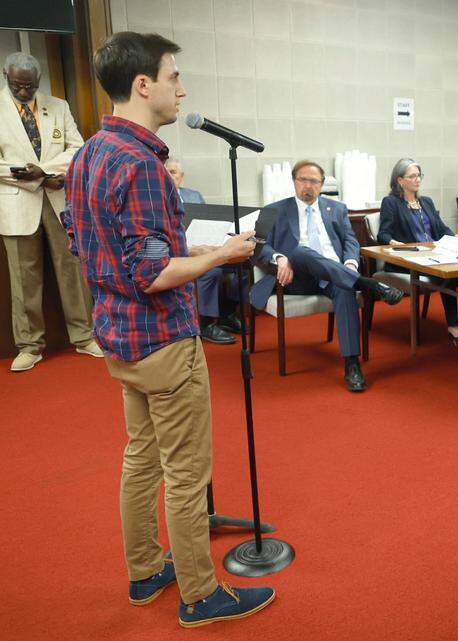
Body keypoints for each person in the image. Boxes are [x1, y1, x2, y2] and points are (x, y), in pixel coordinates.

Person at [66, 31, 273, 627]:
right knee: (186, 474)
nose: (181, 90)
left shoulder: (89, 154)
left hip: (119, 337)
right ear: (143, 85)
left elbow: (88, 243)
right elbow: (153, 272)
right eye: (173, 77)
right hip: (162, 339)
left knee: (141, 459)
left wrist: (189, 250)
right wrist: (223, 253)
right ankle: (200, 595)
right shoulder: (143, 166)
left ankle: (144, 571)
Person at [253, 160, 403, 392]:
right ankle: (368, 284)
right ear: (294, 181)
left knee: (344, 288)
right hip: (296, 278)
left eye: (314, 181)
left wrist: (350, 264)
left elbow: (350, 241)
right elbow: (258, 246)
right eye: (303, 179)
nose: (308, 185)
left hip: (334, 276)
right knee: (300, 252)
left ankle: (351, 364)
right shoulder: (273, 209)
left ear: (322, 184)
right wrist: (279, 258)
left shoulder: (338, 208)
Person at [0, 51, 101, 372]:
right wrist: (33, 177)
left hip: (59, 197)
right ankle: (29, 346)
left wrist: (44, 172)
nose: (24, 91)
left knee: (72, 268)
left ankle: (84, 336)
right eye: (17, 85)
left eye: (29, 86)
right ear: (5, 76)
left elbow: (78, 148)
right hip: (17, 200)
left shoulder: (58, 106)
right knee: (24, 277)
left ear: (39, 80)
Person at [382, 158, 458, 345]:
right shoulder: (391, 202)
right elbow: (383, 233)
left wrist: (457, 241)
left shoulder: (426, 202)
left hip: (435, 255)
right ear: (400, 180)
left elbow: (442, 229)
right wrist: (395, 243)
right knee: (450, 272)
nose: (417, 179)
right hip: (410, 259)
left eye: (419, 175)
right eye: (412, 176)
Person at [162, 158, 239, 345]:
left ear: (181, 177)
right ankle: (206, 323)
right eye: (166, 172)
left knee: (239, 264)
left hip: (205, 246)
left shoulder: (194, 196)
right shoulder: (157, 198)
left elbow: (209, 222)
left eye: (173, 172)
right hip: (180, 251)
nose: (170, 176)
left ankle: (227, 314)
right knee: (211, 271)